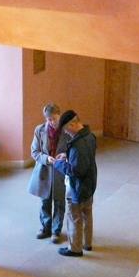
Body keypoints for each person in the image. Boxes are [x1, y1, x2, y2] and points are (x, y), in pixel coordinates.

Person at [52, 110, 97, 257]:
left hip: (77, 188)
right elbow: (84, 159)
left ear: (72, 124)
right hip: (90, 184)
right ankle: (87, 243)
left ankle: (75, 248)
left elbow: (75, 170)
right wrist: (68, 155)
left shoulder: (77, 144)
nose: (66, 133)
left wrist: (59, 164)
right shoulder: (90, 136)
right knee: (87, 214)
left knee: (74, 218)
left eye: (66, 130)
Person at [28, 103, 67, 243]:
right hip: (44, 171)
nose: (52, 122)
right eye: (49, 119)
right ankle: (45, 227)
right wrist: (46, 158)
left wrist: (64, 155)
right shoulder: (39, 130)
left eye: (54, 119)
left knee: (59, 201)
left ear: (60, 115)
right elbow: (34, 152)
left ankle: (56, 231)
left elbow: (72, 150)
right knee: (45, 200)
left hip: (61, 171)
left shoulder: (67, 131)